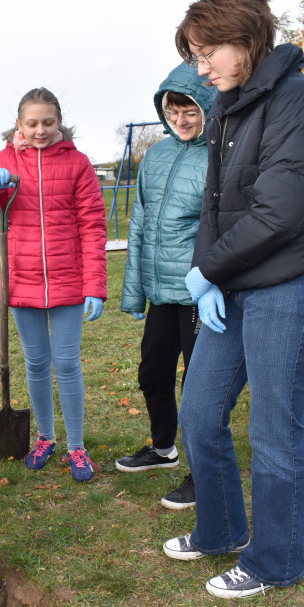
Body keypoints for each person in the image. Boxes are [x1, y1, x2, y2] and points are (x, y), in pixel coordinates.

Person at [164, 0, 304, 600]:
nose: (201, 66)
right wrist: (204, 272)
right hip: (237, 287)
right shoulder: (229, 108)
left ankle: (274, 561)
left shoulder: (298, 103)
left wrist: (209, 271)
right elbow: (214, 208)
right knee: (199, 411)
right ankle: (221, 529)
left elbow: (277, 217)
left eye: (209, 50)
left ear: (246, 37)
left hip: (291, 291)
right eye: (195, 53)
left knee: (273, 430)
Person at [0, 87, 108, 482]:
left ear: (59, 123)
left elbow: (93, 225)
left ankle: (77, 447)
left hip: (69, 281)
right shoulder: (3, 161)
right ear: (19, 125)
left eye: (48, 122)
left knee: (66, 364)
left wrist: (95, 286)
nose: (40, 130)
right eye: (32, 123)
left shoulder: (78, 164)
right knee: (35, 363)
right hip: (22, 282)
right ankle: (45, 437)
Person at [116, 62, 216, 510]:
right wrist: (135, 291)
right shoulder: (155, 156)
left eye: (190, 109)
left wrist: (214, 281)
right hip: (161, 293)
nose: (181, 119)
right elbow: (138, 224)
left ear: (206, 107)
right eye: (173, 110)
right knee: (152, 373)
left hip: (199, 294)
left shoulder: (219, 155)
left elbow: (221, 226)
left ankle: (203, 473)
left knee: (197, 387)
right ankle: (162, 448)